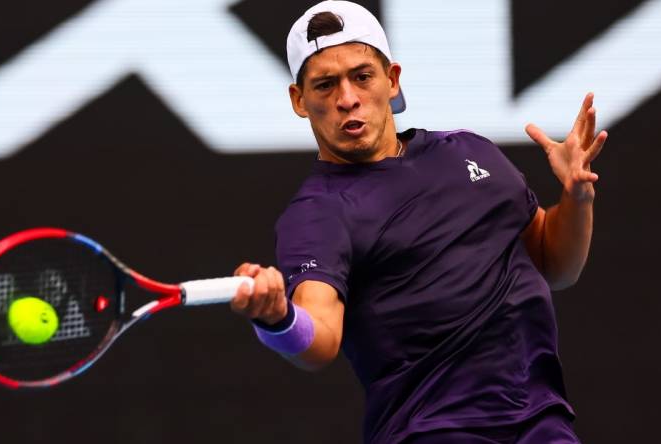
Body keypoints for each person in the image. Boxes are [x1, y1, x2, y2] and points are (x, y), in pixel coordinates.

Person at [229, 1, 607, 443]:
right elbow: (321, 337)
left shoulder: (470, 152)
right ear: (300, 101)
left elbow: (553, 263)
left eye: (362, 76)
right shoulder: (317, 213)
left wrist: (576, 197)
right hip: (433, 433)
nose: (347, 98)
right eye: (325, 85)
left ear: (391, 81)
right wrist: (278, 319)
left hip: (542, 425)